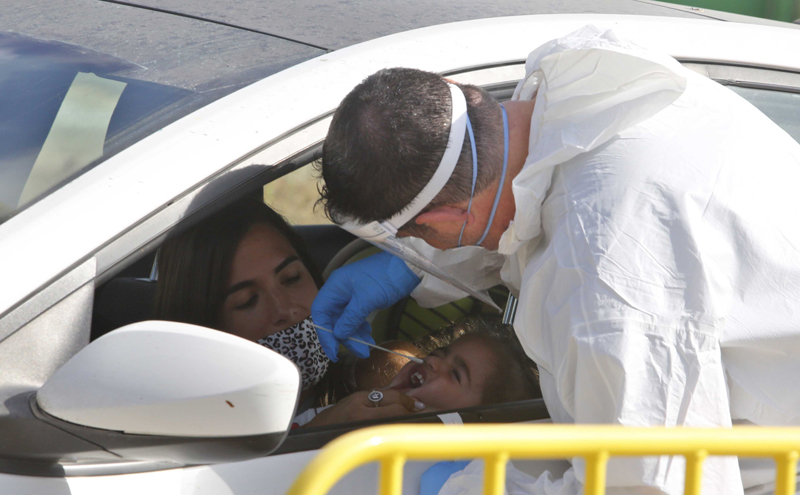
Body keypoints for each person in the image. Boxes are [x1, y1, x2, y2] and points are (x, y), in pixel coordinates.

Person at [312, 25, 800, 495]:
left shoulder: (605, 286)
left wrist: (464, 486)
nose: (427, 246)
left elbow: (650, 485)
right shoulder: (578, 85)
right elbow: (526, 210)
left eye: (418, 236)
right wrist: (413, 264)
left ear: (448, 214)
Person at [153, 197, 416, 410]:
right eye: (247, 301)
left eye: (291, 278)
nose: (286, 309)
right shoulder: (188, 428)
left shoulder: (386, 376)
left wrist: (416, 266)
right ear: (206, 326)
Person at [298, 316, 540, 428]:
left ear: (478, 422)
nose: (433, 361)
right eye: (439, 353)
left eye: (456, 374)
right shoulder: (342, 414)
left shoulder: (460, 481)